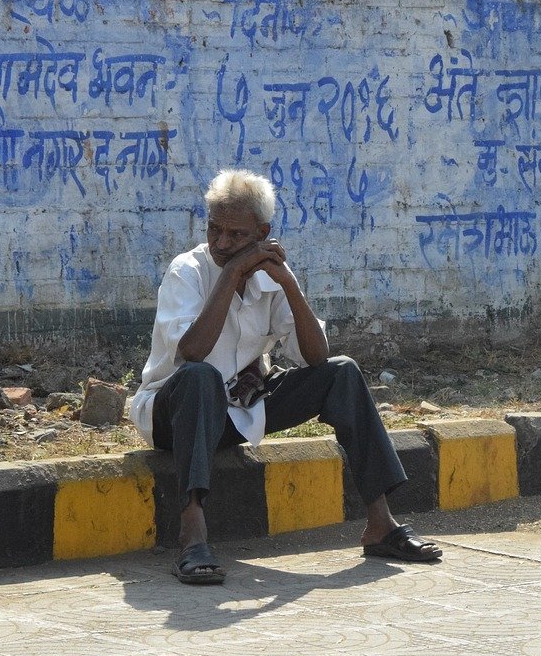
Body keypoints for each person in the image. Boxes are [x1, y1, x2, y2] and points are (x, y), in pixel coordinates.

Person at [130, 169, 442, 585]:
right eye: (214, 230)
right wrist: (231, 273)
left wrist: (288, 283)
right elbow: (191, 351)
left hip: (238, 409)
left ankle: (380, 525)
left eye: (237, 236)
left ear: (262, 233)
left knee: (342, 373)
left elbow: (315, 355)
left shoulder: (269, 279)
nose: (222, 243)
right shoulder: (187, 270)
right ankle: (192, 533)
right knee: (200, 375)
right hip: (175, 413)